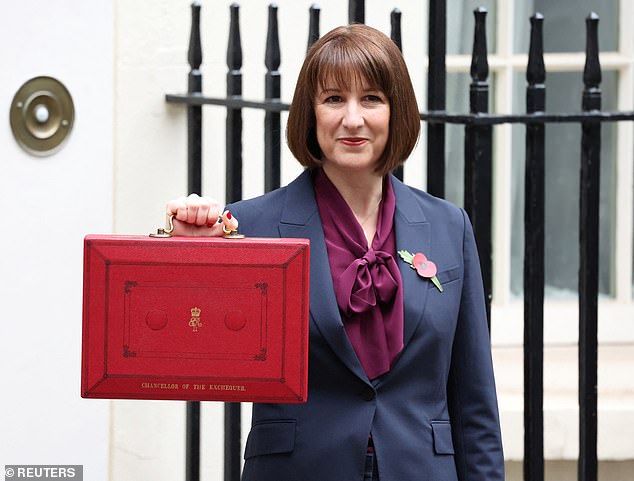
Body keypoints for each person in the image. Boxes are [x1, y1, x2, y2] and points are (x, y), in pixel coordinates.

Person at [166, 24, 503, 481]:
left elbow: (474, 400)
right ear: (310, 114)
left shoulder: (448, 228)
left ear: (395, 112)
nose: (352, 119)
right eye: (332, 99)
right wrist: (188, 251)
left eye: (371, 98)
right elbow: (186, 349)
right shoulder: (248, 227)